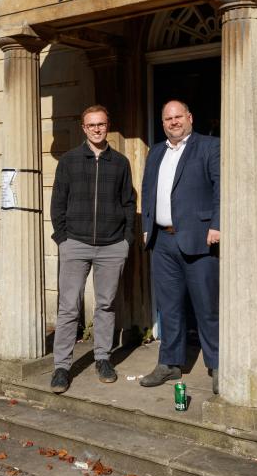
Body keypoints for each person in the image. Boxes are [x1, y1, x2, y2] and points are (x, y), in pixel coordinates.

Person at [49, 104, 136, 394]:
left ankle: (102, 358)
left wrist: (126, 239)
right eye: (91, 125)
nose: (97, 129)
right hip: (75, 242)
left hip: (112, 246)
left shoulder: (120, 163)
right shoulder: (70, 161)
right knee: (68, 307)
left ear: (107, 126)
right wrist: (63, 237)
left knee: (106, 305)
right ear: (83, 128)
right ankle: (62, 366)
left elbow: (128, 202)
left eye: (101, 124)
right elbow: (58, 202)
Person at [139, 100, 221, 394]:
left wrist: (217, 223)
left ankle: (218, 365)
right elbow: (148, 189)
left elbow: (221, 186)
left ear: (190, 117)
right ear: (162, 123)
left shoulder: (210, 146)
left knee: (206, 306)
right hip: (162, 241)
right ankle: (169, 364)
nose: (173, 122)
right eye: (167, 118)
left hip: (200, 238)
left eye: (178, 117)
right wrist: (147, 226)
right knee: (169, 307)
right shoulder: (156, 151)